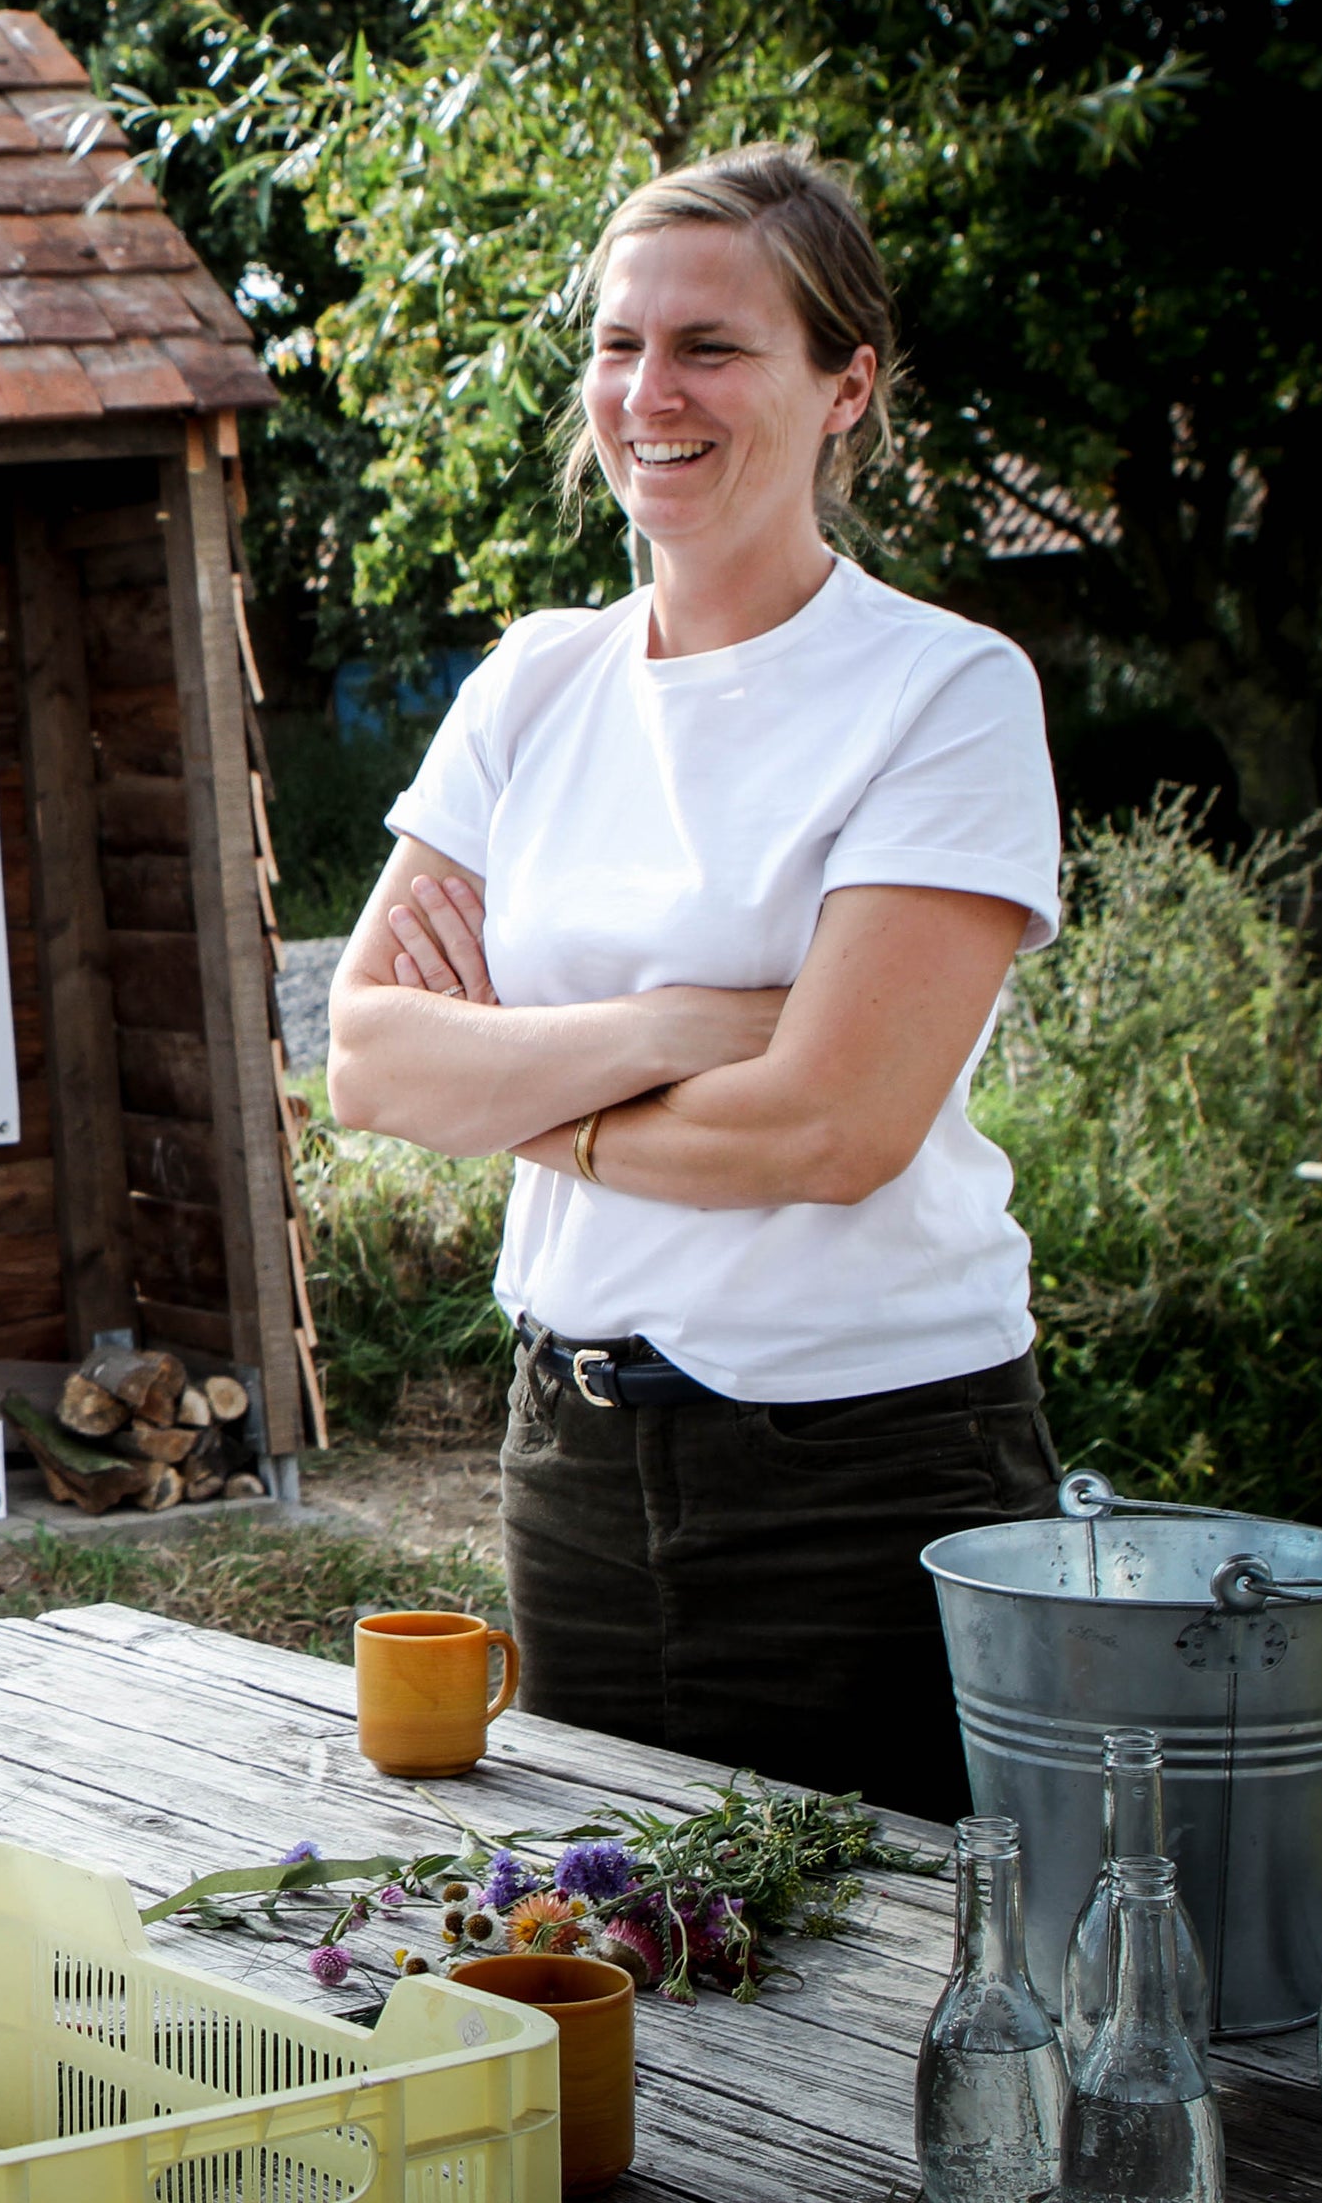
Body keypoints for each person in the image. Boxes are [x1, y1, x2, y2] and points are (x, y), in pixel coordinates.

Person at [324, 142, 1062, 1821]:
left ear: (843, 385)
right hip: (573, 1455)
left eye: (712, 346)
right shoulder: (532, 682)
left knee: (882, 1991)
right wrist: (661, 1036)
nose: (650, 389)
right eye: (616, 343)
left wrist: (523, 1087)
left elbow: (831, 1132)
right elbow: (367, 1062)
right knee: (631, 1965)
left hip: (869, 1468)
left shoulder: (943, 694)